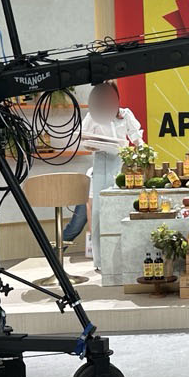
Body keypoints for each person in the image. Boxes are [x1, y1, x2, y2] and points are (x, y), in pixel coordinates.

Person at [80, 81, 142, 270]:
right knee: (100, 211)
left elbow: (137, 138)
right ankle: (100, 260)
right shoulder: (93, 116)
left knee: (123, 207)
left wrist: (142, 152)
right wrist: (92, 145)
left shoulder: (125, 114)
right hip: (101, 161)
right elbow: (84, 138)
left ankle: (125, 256)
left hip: (122, 162)